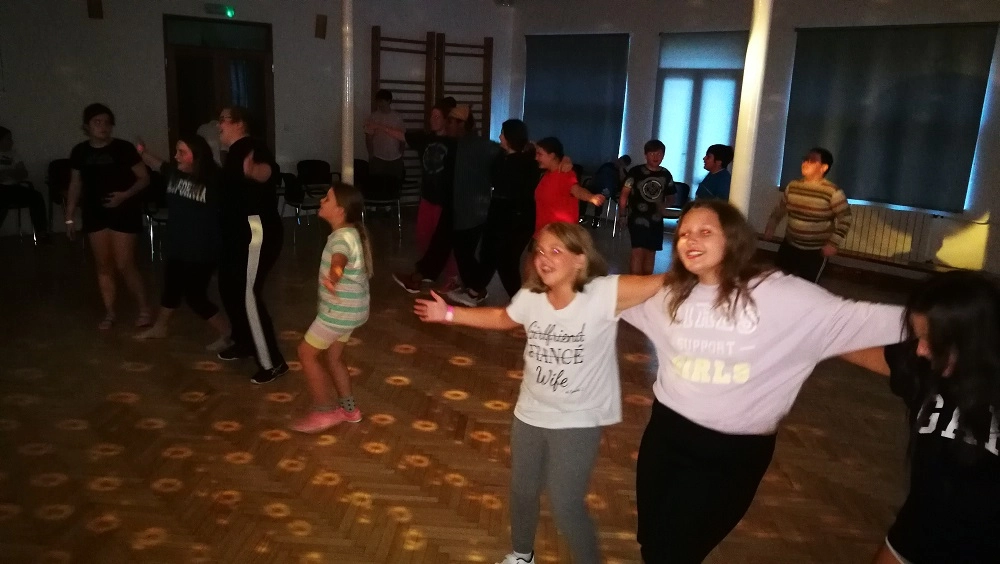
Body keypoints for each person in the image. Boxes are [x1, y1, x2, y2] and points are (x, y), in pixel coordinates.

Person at [620, 199, 905, 563]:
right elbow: (602, 296)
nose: (690, 240)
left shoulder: (781, 295)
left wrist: (954, 331)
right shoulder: (671, 294)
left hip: (730, 454)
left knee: (672, 552)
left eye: (705, 231)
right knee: (652, 541)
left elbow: (868, 320)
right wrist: (666, 279)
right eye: (684, 234)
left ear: (733, 238)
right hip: (665, 435)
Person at [414, 221, 665, 564]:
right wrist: (448, 313)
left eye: (556, 251)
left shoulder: (604, 293)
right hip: (530, 412)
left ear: (580, 258)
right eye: (539, 251)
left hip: (577, 420)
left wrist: (709, 264)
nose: (544, 258)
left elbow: (663, 281)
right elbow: (502, 318)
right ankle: (522, 556)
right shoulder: (531, 296)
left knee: (565, 504)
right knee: (522, 490)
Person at [839, 271, 1000, 564]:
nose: (921, 350)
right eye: (919, 336)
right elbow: (848, 349)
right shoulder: (924, 371)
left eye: (932, 339)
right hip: (913, 537)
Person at [132, 134, 231, 350]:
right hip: (178, 244)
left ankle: (228, 334)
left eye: (182, 152)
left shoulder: (214, 180)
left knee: (195, 296)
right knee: (171, 288)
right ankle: (160, 327)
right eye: (176, 151)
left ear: (197, 155)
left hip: (202, 249)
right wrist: (142, 152)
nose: (176, 156)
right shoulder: (174, 174)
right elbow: (157, 163)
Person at [290, 183, 373, 433]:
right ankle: (349, 409)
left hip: (339, 313)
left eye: (327, 199)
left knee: (306, 354)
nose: (321, 201)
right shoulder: (351, 233)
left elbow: (339, 260)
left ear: (340, 210)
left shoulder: (341, 238)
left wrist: (333, 277)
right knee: (334, 357)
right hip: (352, 311)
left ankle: (324, 410)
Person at [214, 106, 288, 384]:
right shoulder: (233, 153)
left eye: (223, 120)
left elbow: (267, 171)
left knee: (247, 293)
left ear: (240, 124)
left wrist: (254, 171)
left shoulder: (251, 146)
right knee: (228, 285)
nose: (218, 125)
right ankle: (245, 341)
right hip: (237, 234)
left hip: (256, 231)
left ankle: (273, 363)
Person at [65, 103, 152, 330]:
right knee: (103, 265)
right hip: (94, 212)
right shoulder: (80, 151)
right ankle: (110, 312)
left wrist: (125, 195)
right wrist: (70, 215)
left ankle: (144, 309)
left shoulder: (123, 148)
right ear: (87, 126)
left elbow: (144, 178)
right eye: (97, 122)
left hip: (124, 210)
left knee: (124, 263)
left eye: (106, 122)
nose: (103, 126)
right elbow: (75, 184)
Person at [473, 119, 540, 300]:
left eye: (503, 133)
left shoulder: (528, 162)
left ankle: (519, 302)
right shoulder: (502, 157)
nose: (500, 136)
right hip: (501, 212)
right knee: (489, 254)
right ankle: (476, 290)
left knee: (506, 261)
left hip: (516, 217)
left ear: (511, 137)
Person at [764, 147, 852, 283]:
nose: (805, 163)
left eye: (812, 161)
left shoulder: (833, 192)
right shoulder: (793, 186)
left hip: (815, 251)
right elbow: (780, 210)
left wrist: (833, 243)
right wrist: (771, 226)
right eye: (805, 159)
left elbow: (846, 218)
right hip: (790, 245)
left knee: (808, 287)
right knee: (778, 281)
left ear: (823, 167)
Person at [405, 97, 460, 291]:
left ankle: (452, 277)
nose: (432, 119)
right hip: (427, 198)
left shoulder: (455, 143)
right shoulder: (426, 139)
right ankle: (429, 271)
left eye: (437, 116)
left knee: (445, 241)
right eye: (431, 116)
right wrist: (379, 126)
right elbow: (402, 135)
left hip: (445, 202)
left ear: (446, 120)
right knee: (423, 236)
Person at [619, 140, 675, 275]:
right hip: (636, 217)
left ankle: (646, 281)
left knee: (651, 252)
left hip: (656, 219)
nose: (656, 157)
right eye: (652, 153)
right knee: (638, 250)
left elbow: (671, 197)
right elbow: (624, 195)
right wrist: (622, 214)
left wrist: (665, 205)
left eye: (659, 154)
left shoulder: (666, 174)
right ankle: (635, 282)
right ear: (645, 155)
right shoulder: (635, 172)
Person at [533, 137, 604, 234]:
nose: (536, 158)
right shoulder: (546, 174)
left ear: (552, 155)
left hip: (560, 235)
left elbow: (576, 190)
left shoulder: (565, 174)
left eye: (540, 154)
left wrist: (591, 197)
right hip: (544, 233)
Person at [0, 126, 50, 243]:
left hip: (13, 188)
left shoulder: (14, 154)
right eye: (8, 139)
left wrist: (12, 173)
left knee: (36, 197)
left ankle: (41, 233)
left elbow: (24, 173)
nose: (11, 142)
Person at [364, 89, 406, 181]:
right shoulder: (373, 117)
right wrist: (371, 154)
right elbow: (368, 137)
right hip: (378, 157)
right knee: (377, 185)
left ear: (389, 101)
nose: (380, 104)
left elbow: (402, 137)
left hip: (395, 157)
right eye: (378, 101)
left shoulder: (397, 117)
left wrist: (401, 154)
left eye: (382, 101)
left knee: (395, 185)